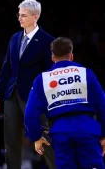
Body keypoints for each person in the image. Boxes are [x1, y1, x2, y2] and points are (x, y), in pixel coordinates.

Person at [0, 0, 56, 168]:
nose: (19, 18)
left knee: (43, 137)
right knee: (11, 140)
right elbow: (7, 67)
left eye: (24, 15)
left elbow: (49, 73)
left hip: (34, 97)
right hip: (11, 94)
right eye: (19, 14)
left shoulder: (47, 41)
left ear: (35, 17)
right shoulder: (14, 38)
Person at [24, 37, 105, 168]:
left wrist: (36, 136)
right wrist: (104, 135)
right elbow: (103, 105)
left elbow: (30, 113)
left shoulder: (42, 79)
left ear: (52, 57)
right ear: (72, 56)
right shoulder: (86, 73)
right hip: (87, 129)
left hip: (60, 132)